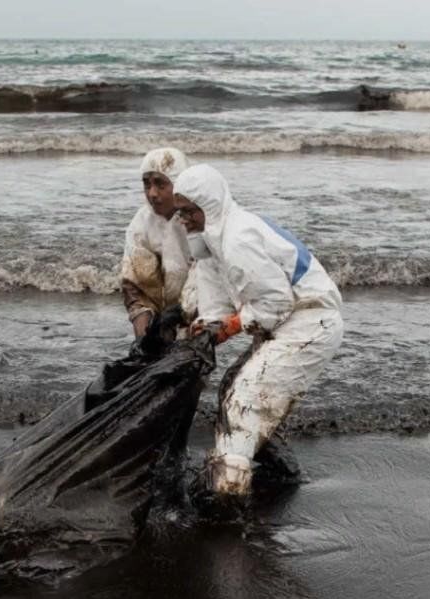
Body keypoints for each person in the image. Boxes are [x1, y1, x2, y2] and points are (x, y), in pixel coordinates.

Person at [171, 163, 344, 497]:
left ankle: (226, 495)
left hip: (311, 320)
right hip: (289, 321)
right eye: (180, 213)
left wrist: (231, 327)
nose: (184, 220)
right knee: (230, 391)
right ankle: (281, 472)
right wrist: (207, 326)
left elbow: (276, 303)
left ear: (209, 205)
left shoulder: (237, 239)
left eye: (189, 211)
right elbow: (217, 303)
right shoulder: (212, 240)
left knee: (245, 402)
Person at [120, 147, 195, 340]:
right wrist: (144, 333)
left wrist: (184, 317)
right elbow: (137, 285)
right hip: (163, 315)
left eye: (161, 185)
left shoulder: (197, 221)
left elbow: (209, 276)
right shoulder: (141, 223)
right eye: (147, 184)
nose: (152, 193)